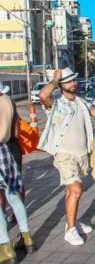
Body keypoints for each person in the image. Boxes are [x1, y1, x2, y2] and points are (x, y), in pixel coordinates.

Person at [37, 68, 95, 245]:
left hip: (81, 154)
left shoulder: (80, 102)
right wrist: (55, 79)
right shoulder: (56, 103)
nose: (73, 84)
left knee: (72, 191)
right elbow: (42, 95)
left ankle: (73, 222)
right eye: (68, 81)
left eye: (74, 80)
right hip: (64, 154)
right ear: (61, 85)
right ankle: (70, 231)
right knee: (76, 189)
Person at [0, 83, 36, 262]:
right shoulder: (7, 100)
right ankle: (27, 238)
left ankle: (5, 247)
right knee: (13, 196)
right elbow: (15, 131)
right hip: (5, 150)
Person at [0, 83, 23, 224]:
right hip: (12, 146)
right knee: (15, 188)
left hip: (3, 146)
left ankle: (2, 231)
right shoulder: (9, 101)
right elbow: (17, 132)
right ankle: (24, 233)